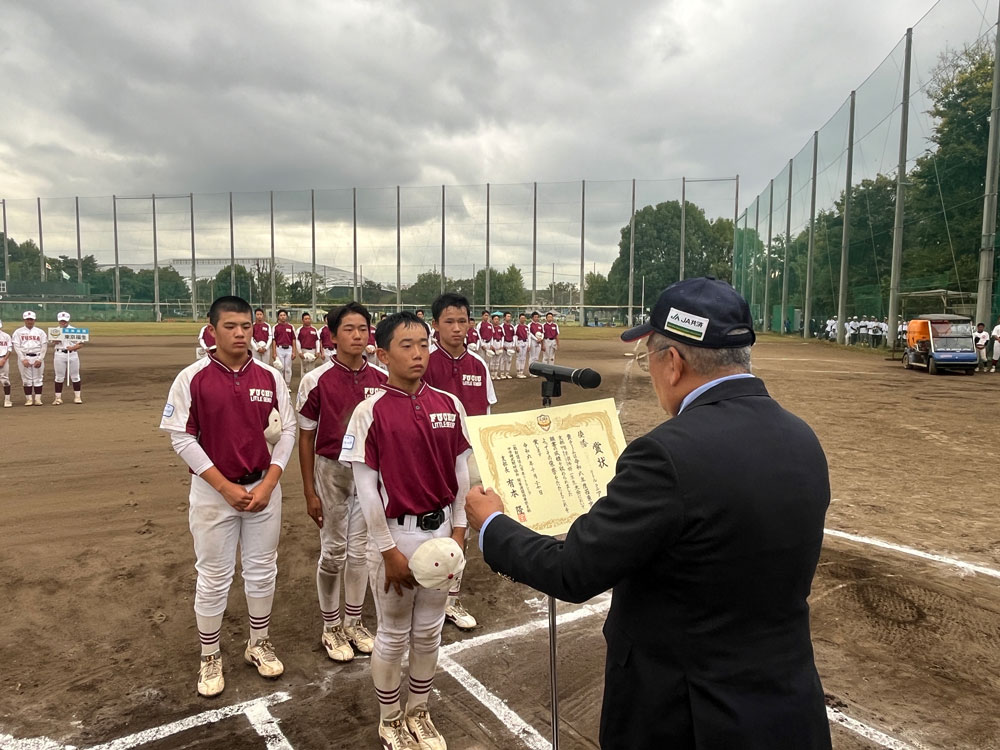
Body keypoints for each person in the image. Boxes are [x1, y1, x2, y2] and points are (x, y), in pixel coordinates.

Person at [465, 277, 833, 750]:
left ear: (674, 362)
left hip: (686, 717)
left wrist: (493, 524)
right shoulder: (802, 437)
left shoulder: (666, 454)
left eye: (649, 359)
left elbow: (573, 570)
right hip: (785, 707)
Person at [341, 311, 472, 750]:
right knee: (393, 634)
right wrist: (386, 550)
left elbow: (460, 473)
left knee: (430, 630)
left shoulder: (448, 404)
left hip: (441, 538)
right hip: (398, 536)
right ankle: (390, 718)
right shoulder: (369, 411)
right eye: (406, 345)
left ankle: (419, 710)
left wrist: (458, 529)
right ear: (383, 354)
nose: (418, 354)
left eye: (423, 344)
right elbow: (366, 489)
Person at [160, 296, 296, 698]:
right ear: (212, 329)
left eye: (246, 326)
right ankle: (209, 654)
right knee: (214, 576)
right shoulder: (192, 377)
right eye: (230, 326)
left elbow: (287, 430)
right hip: (213, 492)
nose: (240, 334)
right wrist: (223, 485)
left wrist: (270, 482)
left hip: (262, 488)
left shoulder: (270, 377)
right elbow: (181, 436)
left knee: (261, 569)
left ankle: (258, 642)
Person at [424, 292, 497, 631]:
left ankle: (451, 598)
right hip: (429, 457)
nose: (456, 328)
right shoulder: (424, 362)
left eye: (462, 321)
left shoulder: (478, 365)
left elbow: (487, 415)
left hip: (467, 457)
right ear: (435, 324)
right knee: (427, 523)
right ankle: (425, 594)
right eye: (448, 321)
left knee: (461, 524)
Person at [13, 311, 47, 406]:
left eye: (31, 319)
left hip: (37, 356)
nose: (29, 321)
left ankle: (37, 399)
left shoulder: (40, 332)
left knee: (38, 378)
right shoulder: (18, 332)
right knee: (26, 379)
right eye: (27, 319)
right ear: (24, 320)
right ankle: (28, 399)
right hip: (25, 356)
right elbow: (17, 346)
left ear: (34, 320)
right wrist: (22, 359)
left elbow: (44, 346)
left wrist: (40, 359)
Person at [52, 311, 84, 404]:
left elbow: (81, 343)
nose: (63, 322)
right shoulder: (55, 331)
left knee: (75, 376)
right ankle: (58, 398)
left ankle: (77, 397)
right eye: (61, 321)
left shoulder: (75, 330)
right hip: (59, 354)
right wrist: (56, 339)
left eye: (65, 321)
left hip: (73, 354)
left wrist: (73, 347)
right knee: (59, 377)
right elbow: (53, 341)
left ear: (68, 320)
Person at [272, 309, 297, 386]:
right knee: (280, 368)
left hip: (289, 350)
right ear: (278, 317)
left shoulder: (291, 327)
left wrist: (294, 351)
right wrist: (274, 353)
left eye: (284, 315)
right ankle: (281, 385)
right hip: (279, 349)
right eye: (281, 315)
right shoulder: (275, 327)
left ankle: (287, 385)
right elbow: (274, 340)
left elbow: (293, 339)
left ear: (287, 316)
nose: (283, 317)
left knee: (288, 369)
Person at [514, 312, 530, 378]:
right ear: (519, 319)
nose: (523, 319)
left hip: (525, 342)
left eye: (524, 318)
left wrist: (529, 345)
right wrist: (516, 345)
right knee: (519, 357)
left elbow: (528, 336)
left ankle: (522, 371)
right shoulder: (516, 327)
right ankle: (518, 372)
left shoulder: (527, 327)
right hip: (519, 342)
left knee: (523, 358)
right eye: (521, 318)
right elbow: (515, 336)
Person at [0, 319, 12, 408]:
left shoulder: (6, 336)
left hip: (3, 358)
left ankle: (7, 400)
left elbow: (9, 349)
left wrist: (4, 360)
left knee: (5, 380)